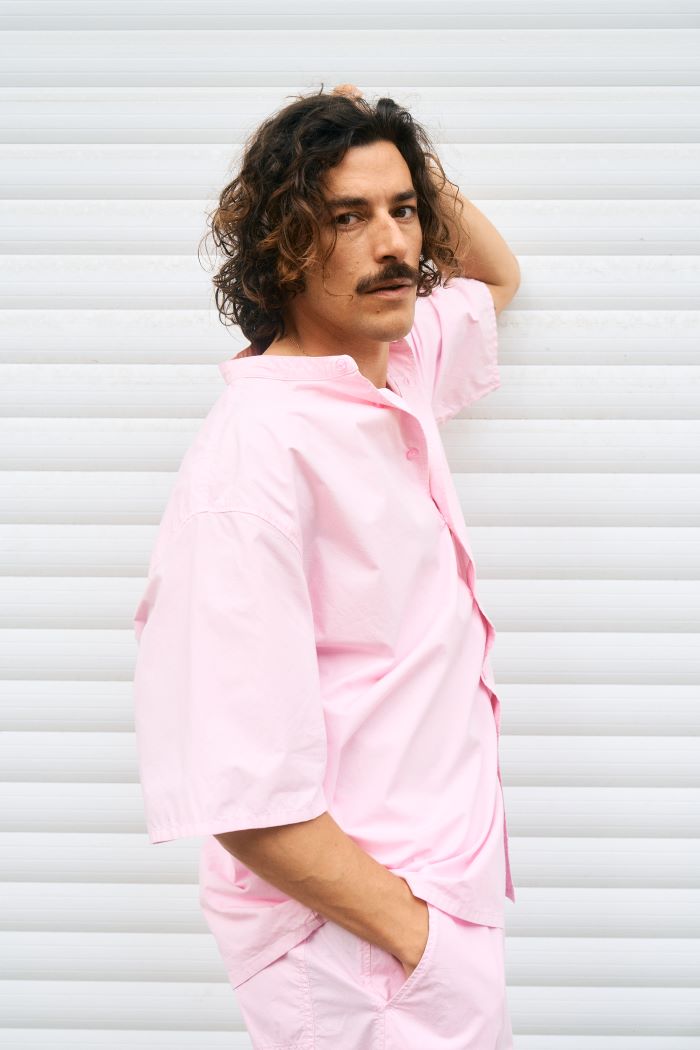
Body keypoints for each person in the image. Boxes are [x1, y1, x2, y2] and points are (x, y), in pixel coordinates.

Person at [132, 83, 521, 1048]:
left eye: (404, 212)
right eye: (347, 218)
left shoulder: (392, 366)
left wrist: (394, 149)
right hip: (358, 944)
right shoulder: (254, 460)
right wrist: (414, 939)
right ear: (282, 248)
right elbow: (241, 794)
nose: (394, 247)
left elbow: (495, 276)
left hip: (428, 905)